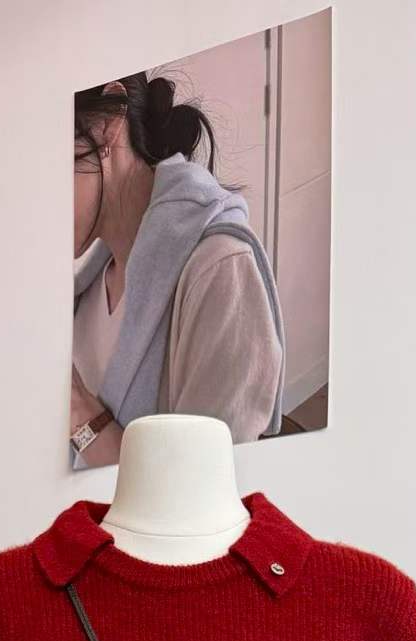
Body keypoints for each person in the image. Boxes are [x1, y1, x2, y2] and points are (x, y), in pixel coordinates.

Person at [71, 73, 286, 468]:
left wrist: (80, 415)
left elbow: (204, 482)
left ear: (105, 127)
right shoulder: (87, 283)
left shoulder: (219, 270)